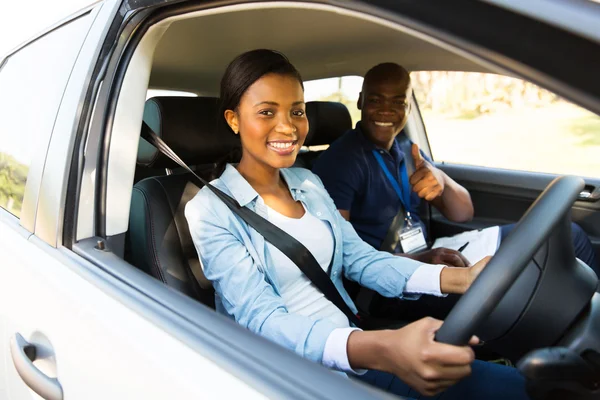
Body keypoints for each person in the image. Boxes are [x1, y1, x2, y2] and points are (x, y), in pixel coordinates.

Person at [185, 49, 529, 399]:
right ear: (234, 120)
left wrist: (462, 278)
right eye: (266, 112)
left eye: (297, 111)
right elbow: (262, 322)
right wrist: (384, 348)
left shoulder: (307, 183)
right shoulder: (210, 210)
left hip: (354, 347)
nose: (288, 126)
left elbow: (361, 259)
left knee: (520, 389)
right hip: (293, 375)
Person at [312, 62, 599, 276]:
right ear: (361, 101)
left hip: (431, 251)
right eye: (375, 100)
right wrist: (420, 262)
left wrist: (441, 180)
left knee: (566, 235)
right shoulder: (341, 161)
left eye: (398, 101)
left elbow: (463, 213)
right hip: (392, 275)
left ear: (409, 107)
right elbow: (343, 258)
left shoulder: (406, 149)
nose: (387, 111)